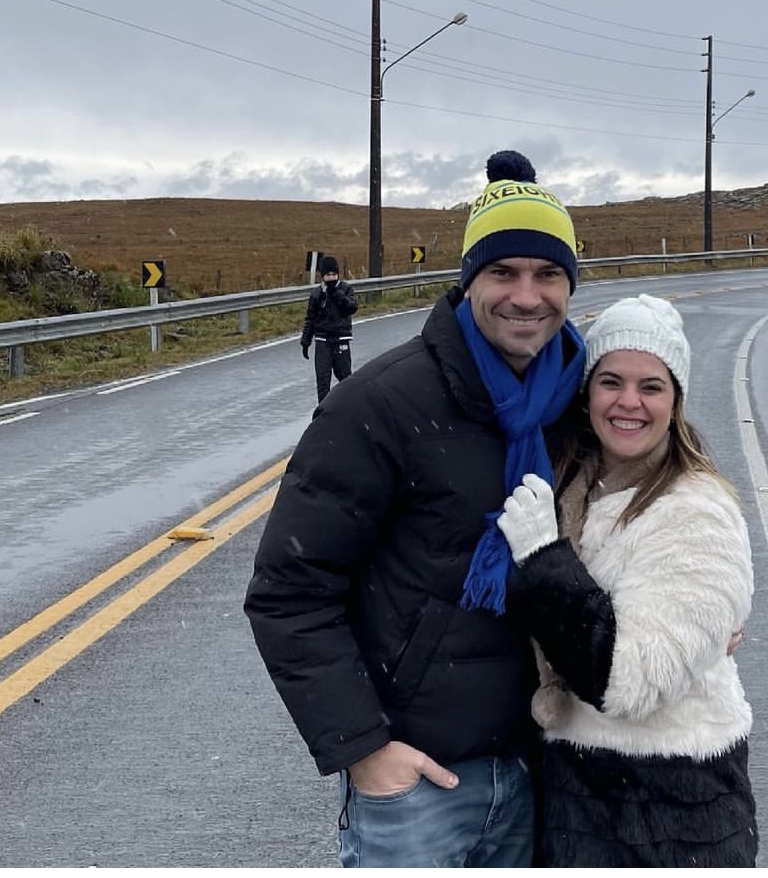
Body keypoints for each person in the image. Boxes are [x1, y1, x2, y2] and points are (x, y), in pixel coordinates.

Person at [244, 150, 585, 868]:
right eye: (503, 272)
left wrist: (698, 611)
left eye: (547, 273)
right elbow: (288, 590)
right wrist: (365, 750)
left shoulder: (579, 400)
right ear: (468, 281)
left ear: (570, 284)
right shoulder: (382, 404)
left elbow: (647, 505)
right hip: (417, 784)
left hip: (543, 766)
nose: (527, 295)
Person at [496, 293, 758, 867]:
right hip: (576, 792)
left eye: (651, 386)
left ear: (676, 400)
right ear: (586, 391)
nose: (629, 403)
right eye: (611, 381)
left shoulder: (697, 510)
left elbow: (627, 683)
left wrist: (544, 560)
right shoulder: (575, 484)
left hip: (670, 809)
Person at [299, 255, 357, 404]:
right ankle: (324, 416)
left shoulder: (346, 289)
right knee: (323, 381)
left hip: (341, 339)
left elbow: (352, 307)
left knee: (345, 380)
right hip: (322, 341)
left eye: (333, 275)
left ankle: (348, 409)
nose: (331, 278)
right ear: (322, 276)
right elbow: (310, 319)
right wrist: (306, 341)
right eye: (327, 275)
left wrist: (338, 295)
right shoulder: (317, 294)